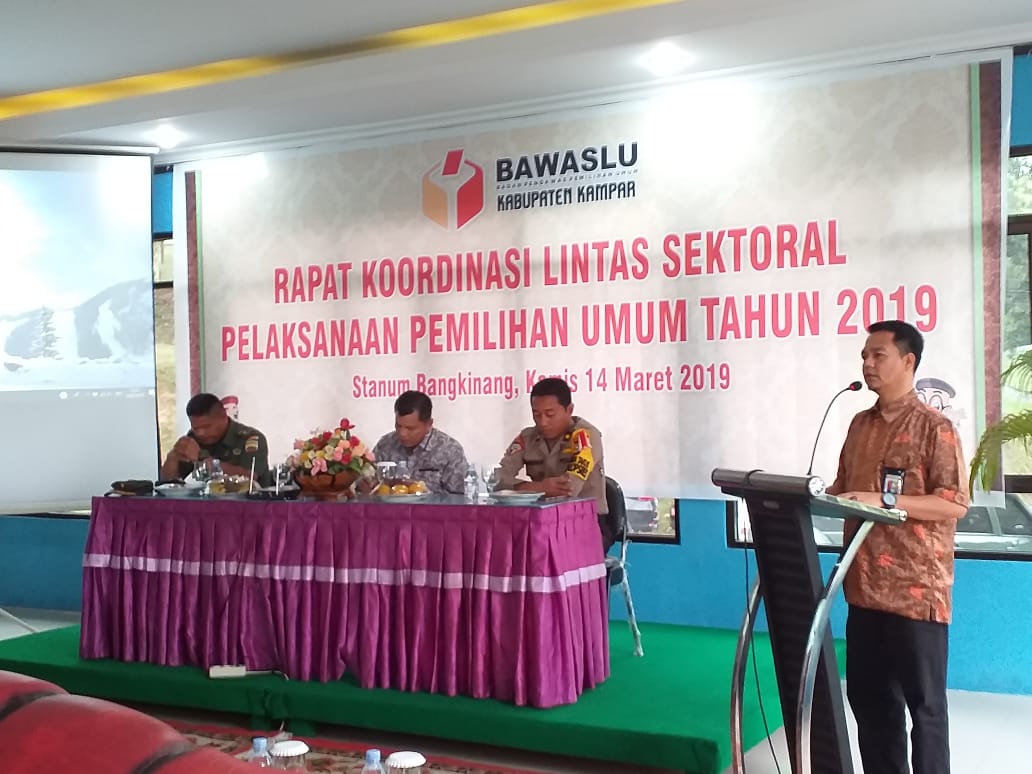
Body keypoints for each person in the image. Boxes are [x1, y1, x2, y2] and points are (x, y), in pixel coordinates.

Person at [825, 320, 968, 774]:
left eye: (878, 355)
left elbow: (954, 504)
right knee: (870, 701)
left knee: (925, 709)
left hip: (915, 593)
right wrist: (806, 496)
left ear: (908, 361)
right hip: (864, 589)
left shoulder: (935, 427)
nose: (867, 364)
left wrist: (884, 500)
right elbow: (842, 489)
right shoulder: (859, 425)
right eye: (864, 356)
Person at [496, 377, 611, 549]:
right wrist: (540, 487)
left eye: (550, 414)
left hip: (584, 522)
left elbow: (569, 489)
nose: (542, 422)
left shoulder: (585, 436)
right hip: (540, 521)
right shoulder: (527, 437)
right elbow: (498, 479)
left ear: (569, 410)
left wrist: (522, 490)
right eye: (536, 414)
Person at [370, 390, 467, 494]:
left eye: (410, 428)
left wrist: (424, 492)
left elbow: (459, 497)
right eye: (398, 426)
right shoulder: (385, 445)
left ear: (429, 424)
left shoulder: (450, 450)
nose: (402, 433)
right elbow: (370, 485)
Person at [160, 392, 270, 480]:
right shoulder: (193, 439)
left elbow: (250, 477)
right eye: (196, 428)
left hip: (246, 501)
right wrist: (173, 457)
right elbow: (169, 483)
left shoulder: (249, 438)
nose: (200, 433)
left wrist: (202, 458)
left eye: (206, 427)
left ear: (223, 417)